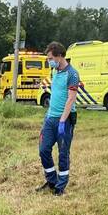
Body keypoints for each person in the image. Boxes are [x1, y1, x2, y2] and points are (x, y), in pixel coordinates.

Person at [36, 41, 79, 196]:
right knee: (43, 150)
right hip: (50, 119)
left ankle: (60, 187)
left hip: (64, 121)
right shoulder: (55, 72)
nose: (49, 61)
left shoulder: (72, 74)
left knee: (63, 153)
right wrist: (49, 115)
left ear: (59, 56)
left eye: (50, 58)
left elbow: (71, 99)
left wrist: (62, 121)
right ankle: (51, 181)